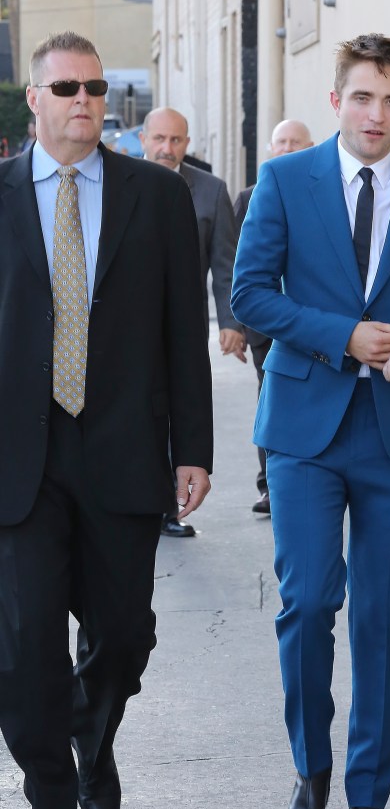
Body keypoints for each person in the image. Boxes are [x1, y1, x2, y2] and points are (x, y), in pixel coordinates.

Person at [231, 33, 390, 809]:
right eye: (364, 97)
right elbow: (249, 294)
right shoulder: (284, 180)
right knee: (307, 603)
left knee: (385, 616)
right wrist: (343, 336)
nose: (377, 114)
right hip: (304, 428)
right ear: (336, 100)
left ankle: (369, 798)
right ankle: (310, 774)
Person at [0, 30, 213, 809]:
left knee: (123, 634)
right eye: (66, 88)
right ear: (35, 101)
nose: (84, 100)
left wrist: (192, 449)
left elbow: (183, 330)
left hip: (122, 448)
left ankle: (92, 729)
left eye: (94, 87)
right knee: (25, 655)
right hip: (19, 460)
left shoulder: (154, 196)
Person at [139, 107, 239, 537]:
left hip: (184, 326)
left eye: (176, 140)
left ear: (187, 143)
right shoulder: (118, 184)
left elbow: (226, 265)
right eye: (159, 139)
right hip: (126, 327)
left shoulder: (211, 191)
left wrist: (231, 322)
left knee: (175, 411)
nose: (167, 148)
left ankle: (167, 507)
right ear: (143, 140)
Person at [233, 119, 314, 516]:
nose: (286, 148)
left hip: (316, 326)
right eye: (280, 142)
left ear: (310, 148)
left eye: (295, 142)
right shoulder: (250, 196)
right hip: (265, 329)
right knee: (272, 402)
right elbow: (235, 265)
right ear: (269, 148)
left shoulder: (323, 196)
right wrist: (236, 327)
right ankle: (270, 485)